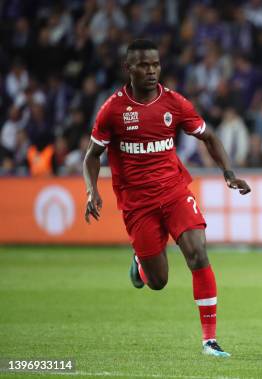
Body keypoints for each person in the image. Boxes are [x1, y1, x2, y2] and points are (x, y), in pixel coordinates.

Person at [82, 39, 251, 358]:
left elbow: (208, 136)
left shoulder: (174, 103)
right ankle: (140, 263)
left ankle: (209, 340)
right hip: (137, 203)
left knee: (198, 253)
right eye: (143, 65)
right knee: (158, 281)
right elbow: (92, 155)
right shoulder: (113, 110)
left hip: (174, 192)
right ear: (128, 68)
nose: (151, 71)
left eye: (155, 65)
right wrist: (93, 190)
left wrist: (229, 174)